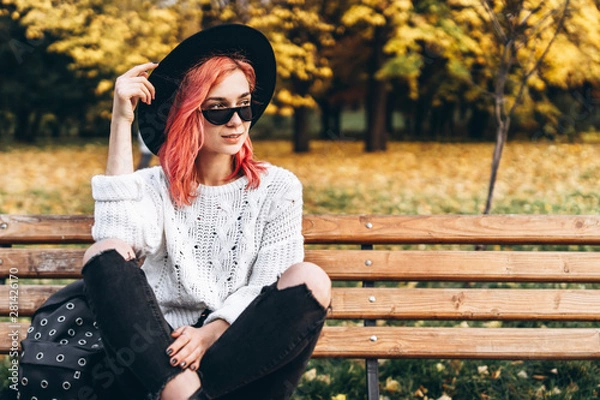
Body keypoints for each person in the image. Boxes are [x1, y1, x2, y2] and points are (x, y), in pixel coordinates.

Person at [18, 24, 331, 400]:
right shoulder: (154, 187)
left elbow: (265, 285)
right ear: (186, 114)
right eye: (217, 110)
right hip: (156, 358)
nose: (236, 121)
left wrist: (207, 334)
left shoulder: (278, 188)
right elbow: (115, 241)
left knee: (311, 277)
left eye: (244, 104)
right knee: (105, 251)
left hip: (238, 355)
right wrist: (121, 121)